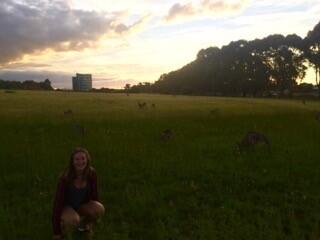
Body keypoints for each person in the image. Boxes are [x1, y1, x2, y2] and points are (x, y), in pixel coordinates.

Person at [52, 147, 105, 239]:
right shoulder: (65, 178)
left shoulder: (91, 173)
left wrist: (94, 215)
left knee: (100, 208)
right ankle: (64, 229)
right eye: (77, 159)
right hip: (67, 206)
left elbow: (95, 195)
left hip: (81, 205)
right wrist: (56, 232)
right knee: (73, 220)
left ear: (87, 160)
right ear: (72, 162)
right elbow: (58, 203)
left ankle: (86, 226)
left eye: (83, 158)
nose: (80, 162)